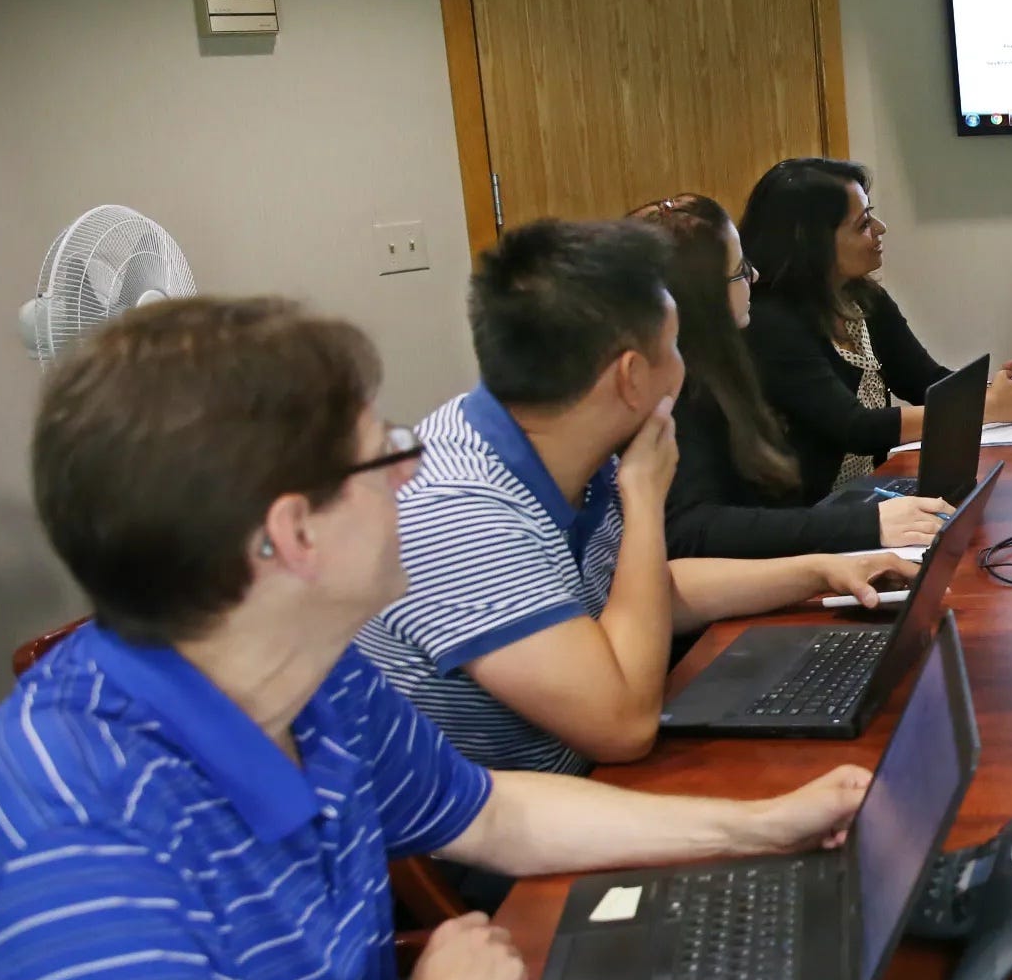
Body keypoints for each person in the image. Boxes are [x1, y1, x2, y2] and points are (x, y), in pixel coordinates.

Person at [0, 297, 882, 980]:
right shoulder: (76, 832)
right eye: (381, 455)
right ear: (290, 534)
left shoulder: (307, 673)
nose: (412, 471)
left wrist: (756, 827)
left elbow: (492, 816)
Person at [355, 218, 909, 777]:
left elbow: (647, 593)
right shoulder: (458, 512)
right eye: (674, 347)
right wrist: (644, 501)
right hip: (507, 839)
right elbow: (622, 728)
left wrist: (822, 570)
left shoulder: (555, 440)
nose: (684, 366)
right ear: (631, 377)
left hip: (579, 785)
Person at [632, 192, 952, 557]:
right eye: (739, 270)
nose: (753, 275)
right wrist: (865, 525)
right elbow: (693, 531)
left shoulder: (720, 366)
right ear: (703, 296)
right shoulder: (671, 391)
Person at [739, 156, 1012, 495]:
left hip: (870, 495)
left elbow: (926, 381)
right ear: (812, 242)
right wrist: (989, 408)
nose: (879, 229)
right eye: (863, 223)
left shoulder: (863, 298)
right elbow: (855, 427)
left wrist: (998, 391)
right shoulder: (770, 323)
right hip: (806, 519)